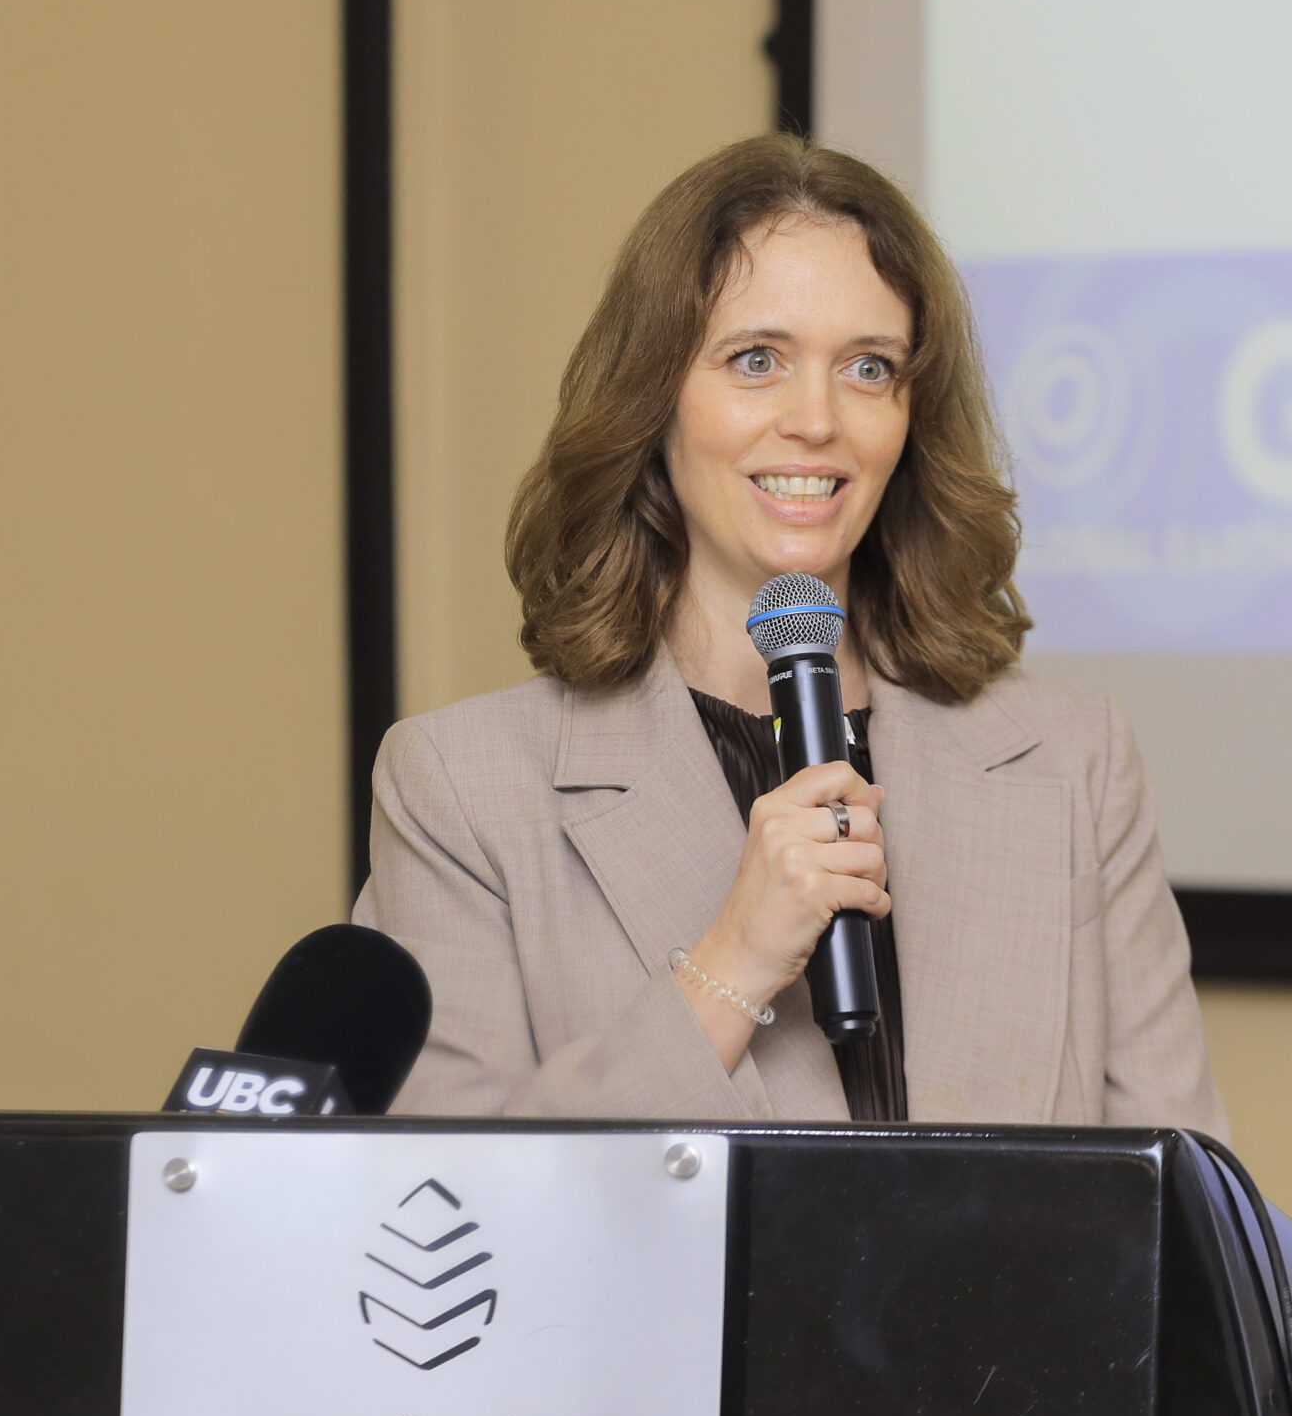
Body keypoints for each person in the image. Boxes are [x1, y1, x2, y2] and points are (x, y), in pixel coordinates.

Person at [355, 134, 1227, 1134]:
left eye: (869, 367)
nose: (817, 420)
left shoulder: (1075, 764)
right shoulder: (462, 790)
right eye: (757, 360)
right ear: (652, 399)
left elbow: (1186, 1196)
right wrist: (734, 960)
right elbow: (450, 1204)